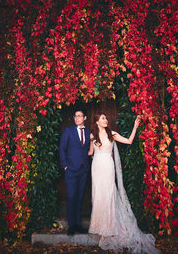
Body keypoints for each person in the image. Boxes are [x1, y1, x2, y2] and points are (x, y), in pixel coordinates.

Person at [88, 113, 159, 254]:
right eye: (103, 118)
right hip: (96, 167)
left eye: (106, 118)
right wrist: (87, 143)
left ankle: (110, 228)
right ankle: (102, 228)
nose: (106, 120)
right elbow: (90, 153)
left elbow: (129, 141)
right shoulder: (92, 136)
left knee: (109, 195)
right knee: (99, 196)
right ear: (96, 122)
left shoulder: (112, 134)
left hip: (108, 166)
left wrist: (135, 127)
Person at [59, 108, 91, 236]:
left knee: (79, 197)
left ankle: (78, 225)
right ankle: (71, 226)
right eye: (75, 116)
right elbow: (62, 148)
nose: (77, 118)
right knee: (71, 197)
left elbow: (91, 148)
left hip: (83, 170)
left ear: (85, 118)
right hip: (71, 169)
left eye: (80, 116)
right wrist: (65, 165)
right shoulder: (68, 131)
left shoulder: (89, 132)